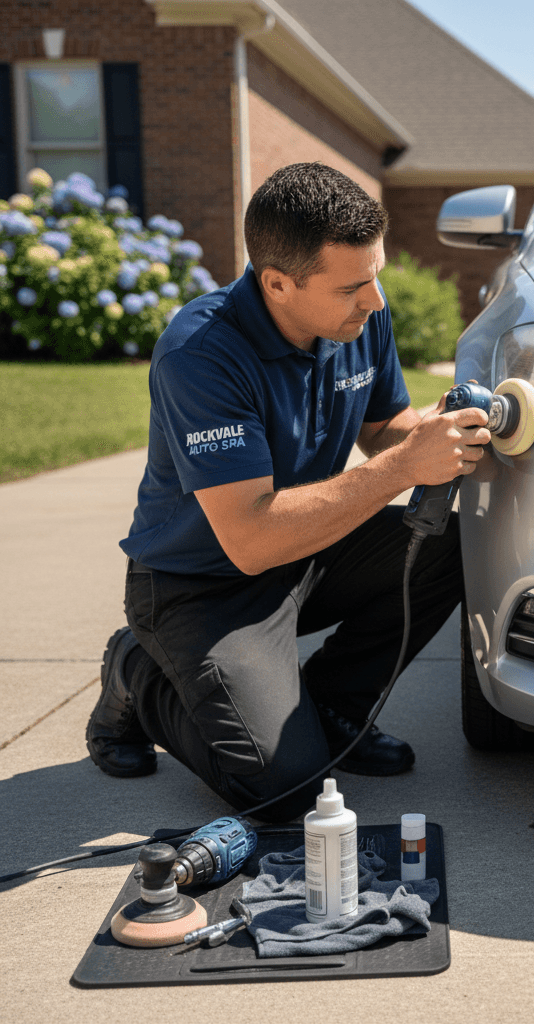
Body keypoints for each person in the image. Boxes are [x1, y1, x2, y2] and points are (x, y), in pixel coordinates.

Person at [85, 163, 489, 820]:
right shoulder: (202, 352)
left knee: (457, 541)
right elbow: (250, 537)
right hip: (203, 584)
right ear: (277, 283)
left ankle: (333, 707)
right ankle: (134, 668)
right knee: (285, 791)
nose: (376, 300)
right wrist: (401, 469)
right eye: (353, 286)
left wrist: (443, 435)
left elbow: (387, 430)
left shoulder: (357, 319)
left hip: (309, 549)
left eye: (375, 275)